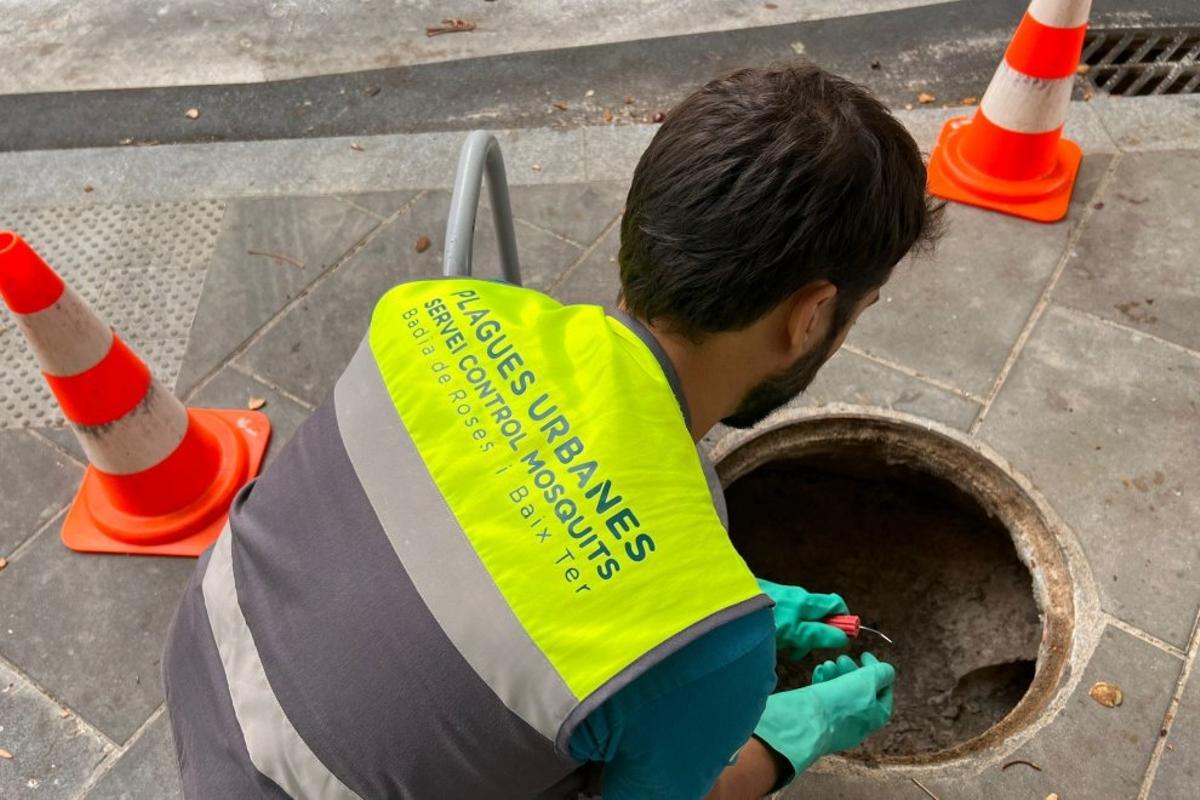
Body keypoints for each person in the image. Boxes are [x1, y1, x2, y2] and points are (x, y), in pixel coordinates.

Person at [162, 61, 942, 799]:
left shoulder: (431, 314)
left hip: (203, 669)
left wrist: (717, 627)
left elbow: (491, 508)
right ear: (810, 318)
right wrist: (779, 740)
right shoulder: (711, 651)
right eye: (854, 315)